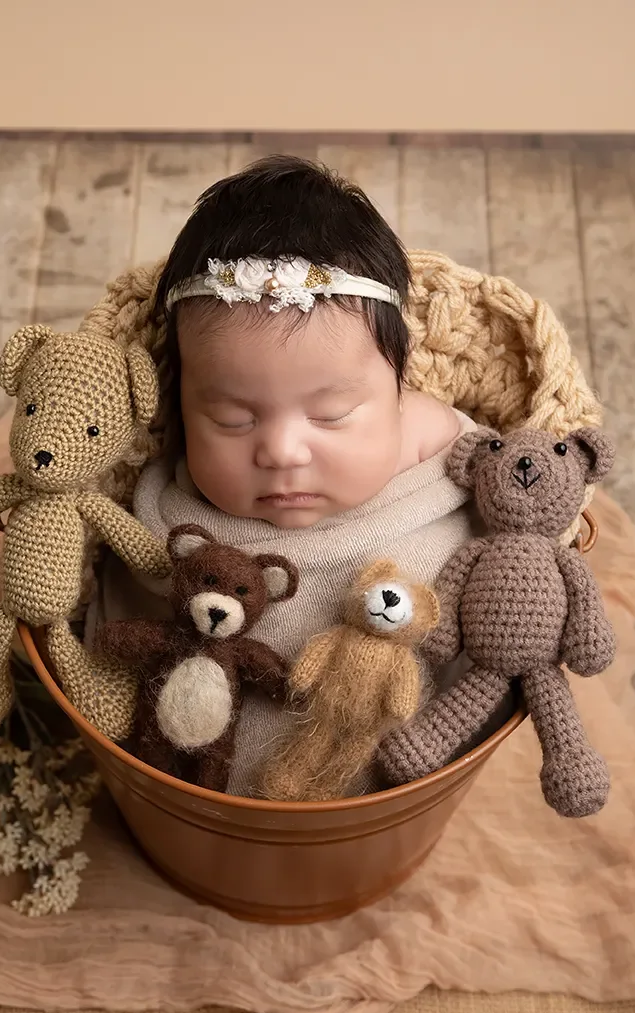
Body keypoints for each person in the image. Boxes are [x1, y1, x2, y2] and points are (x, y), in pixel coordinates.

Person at [96, 156, 481, 796]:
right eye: (230, 417)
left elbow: (513, 481)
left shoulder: (431, 438)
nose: (280, 452)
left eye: (330, 415)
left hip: (392, 750)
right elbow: (119, 608)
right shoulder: (170, 517)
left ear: (399, 391)